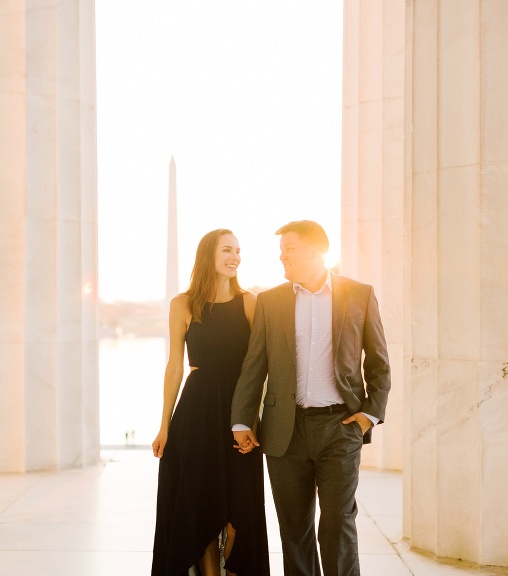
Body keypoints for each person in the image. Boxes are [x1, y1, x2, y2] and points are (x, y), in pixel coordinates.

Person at [231, 220, 390, 576]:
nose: (281, 256)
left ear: (316, 251)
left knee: (337, 523)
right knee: (294, 529)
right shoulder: (271, 301)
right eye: (281, 250)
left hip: (340, 427)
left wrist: (370, 415)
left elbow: (379, 363)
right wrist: (242, 420)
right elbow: (254, 365)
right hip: (285, 431)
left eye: (289, 249)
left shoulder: (359, 294)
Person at [152, 229, 270, 576]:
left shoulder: (250, 302)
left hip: (238, 412)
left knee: (240, 514)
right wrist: (164, 425)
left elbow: (260, 366)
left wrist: (253, 420)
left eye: (238, 251)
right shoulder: (182, 304)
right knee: (199, 509)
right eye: (227, 250)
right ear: (208, 256)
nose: (235, 256)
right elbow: (175, 366)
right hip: (197, 412)